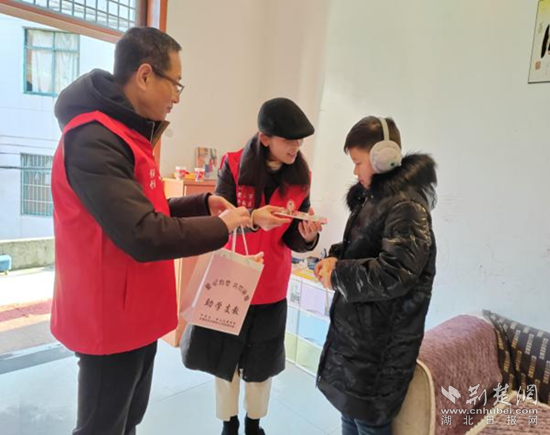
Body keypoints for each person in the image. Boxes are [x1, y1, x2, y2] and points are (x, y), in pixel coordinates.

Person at [50, 27, 250, 435]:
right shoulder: (94, 138)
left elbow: (145, 209)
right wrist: (220, 227)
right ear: (144, 75)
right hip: (109, 318)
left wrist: (201, 203)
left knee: (128, 421)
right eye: (175, 83)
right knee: (102, 427)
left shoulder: (127, 133)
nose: (177, 96)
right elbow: (142, 232)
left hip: (134, 313)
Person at [181, 98, 323, 435]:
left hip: (272, 284)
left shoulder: (301, 178)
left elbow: (293, 238)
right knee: (224, 361)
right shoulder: (233, 166)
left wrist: (307, 237)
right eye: (289, 140)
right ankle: (228, 423)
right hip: (232, 280)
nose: (296, 148)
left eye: (300, 141)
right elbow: (221, 220)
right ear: (265, 138)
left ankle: (254, 423)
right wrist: (254, 219)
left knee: (262, 365)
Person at [314, 116, 437, 435]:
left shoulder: (407, 207)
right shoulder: (375, 199)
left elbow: (395, 273)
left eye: (358, 162)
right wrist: (334, 259)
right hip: (359, 340)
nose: (355, 172)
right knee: (350, 414)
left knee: (368, 422)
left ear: (384, 157)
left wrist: (339, 273)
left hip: (381, 347)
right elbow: (363, 248)